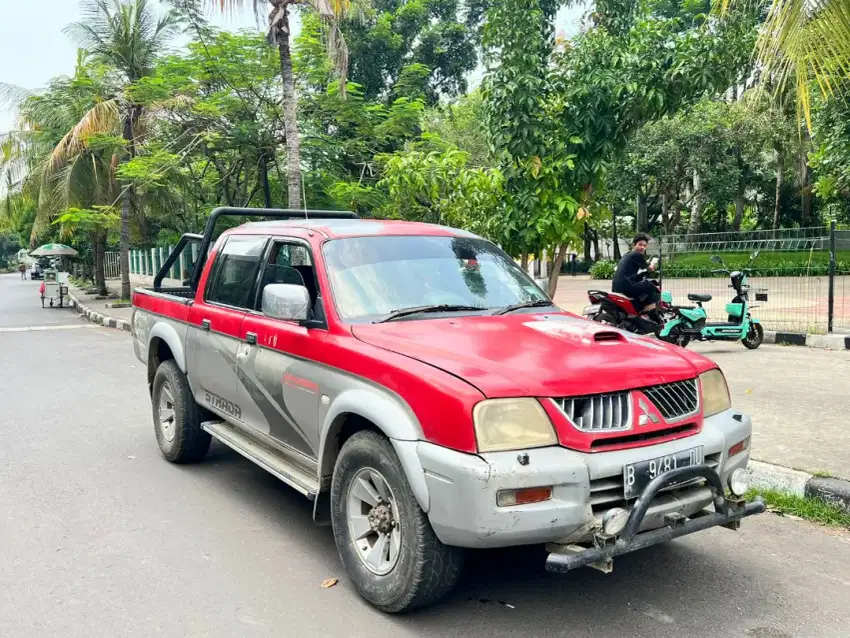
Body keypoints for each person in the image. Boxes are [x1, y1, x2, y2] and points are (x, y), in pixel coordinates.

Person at [612, 233, 658, 314]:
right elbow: (649, 268)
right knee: (650, 285)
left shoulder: (627, 254)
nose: (642, 247)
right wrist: (653, 264)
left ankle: (636, 308)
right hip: (626, 286)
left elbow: (636, 267)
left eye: (645, 245)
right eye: (640, 245)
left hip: (616, 287)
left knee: (641, 285)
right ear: (634, 244)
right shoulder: (637, 255)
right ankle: (646, 308)